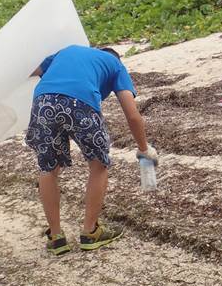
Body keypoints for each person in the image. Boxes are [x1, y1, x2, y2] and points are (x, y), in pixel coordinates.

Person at [26, 44, 158, 256]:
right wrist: (144, 148)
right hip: (81, 103)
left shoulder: (67, 51)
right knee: (98, 165)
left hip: (43, 101)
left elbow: (30, 71)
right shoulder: (116, 65)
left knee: (48, 168)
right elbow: (132, 115)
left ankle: (57, 238)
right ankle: (90, 232)